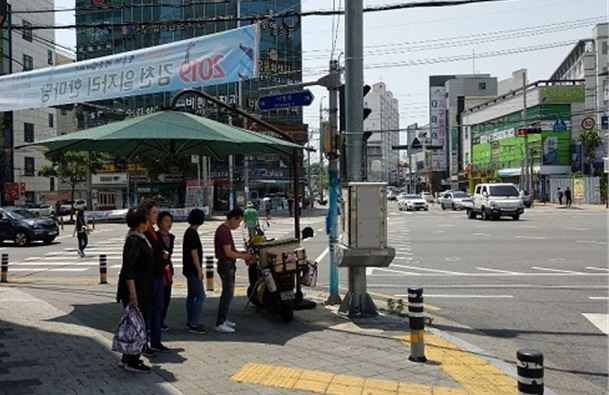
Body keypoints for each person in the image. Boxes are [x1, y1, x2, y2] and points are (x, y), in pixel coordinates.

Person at [116, 208, 154, 373]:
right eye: (147, 220)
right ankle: (133, 360)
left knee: (134, 324)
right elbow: (129, 269)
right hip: (136, 289)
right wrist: (133, 294)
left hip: (142, 288)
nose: (149, 223)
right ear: (141, 223)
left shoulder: (139, 238)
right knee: (137, 324)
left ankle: (127, 358)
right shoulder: (134, 241)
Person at [214, 208, 255, 333]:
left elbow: (232, 250)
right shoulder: (224, 231)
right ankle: (220, 323)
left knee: (228, 294)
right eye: (239, 222)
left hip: (227, 264)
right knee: (227, 294)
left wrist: (242, 253)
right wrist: (244, 256)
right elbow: (228, 252)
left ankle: (224, 319)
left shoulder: (225, 230)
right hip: (226, 265)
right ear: (233, 219)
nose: (238, 225)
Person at [139, 199, 170, 354]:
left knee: (158, 309)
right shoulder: (143, 231)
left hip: (158, 275)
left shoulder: (152, 230)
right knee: (147, 311)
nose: (156, 216)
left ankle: (156, 341)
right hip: (149, 277)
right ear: (146, 214)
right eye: (154, 213)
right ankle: (144, 344)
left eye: (157, 212)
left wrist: (162, 254)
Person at [183, 208, 207, 334]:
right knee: (201, 296)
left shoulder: (189, 232)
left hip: (188, 269)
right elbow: (194, 253)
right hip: (192, 269)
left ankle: (190, 321)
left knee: (192, 295)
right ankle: (194, 323)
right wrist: (199, 270)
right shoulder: (192, 233)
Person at [157, 211, 175, 331]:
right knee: (159, 296)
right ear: (159, 223)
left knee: (167, 296)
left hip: (168, 270)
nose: (169, 224)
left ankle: (162, 319)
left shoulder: (171, 237)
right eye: (166, 221)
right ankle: (156, 320)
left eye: (170, 221)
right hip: (158, 269)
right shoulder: (154, 236)